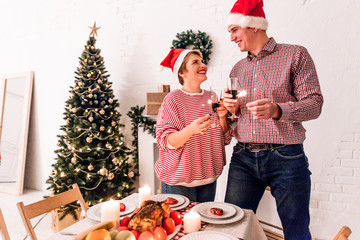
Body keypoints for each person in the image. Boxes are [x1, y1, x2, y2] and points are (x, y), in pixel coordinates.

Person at [223, 0, 324, 239]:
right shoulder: (237, 69)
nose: (232, 38)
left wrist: (277, 110)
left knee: (296, 231)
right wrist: (231, 112)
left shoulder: (295, 55)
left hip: (286, 157)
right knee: (230, 228)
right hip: (243, 159)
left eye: (234, 30)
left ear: (254, 26)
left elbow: (315, 105)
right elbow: (234, 120)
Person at [155, 48, 232, 202]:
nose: (202, 65)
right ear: (181, 73)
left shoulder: (213, 97)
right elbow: (165, 142)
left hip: (209, 178)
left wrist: (223, 117)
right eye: (195, 62)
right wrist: (192, 129)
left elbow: (224, 139)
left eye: (202, 61)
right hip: (179, 182)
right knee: (180, 226)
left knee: (204, 226)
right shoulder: (173, 99)